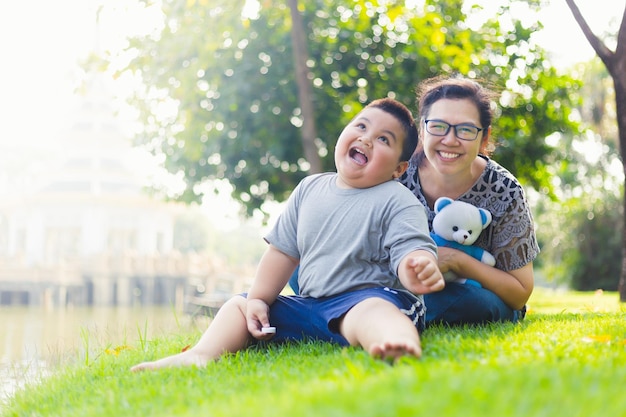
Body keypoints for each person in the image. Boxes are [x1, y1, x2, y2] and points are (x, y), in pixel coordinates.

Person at [131, 98, 445, 372]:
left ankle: (397, 343)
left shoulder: (397, 199)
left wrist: (415, 265)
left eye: (383, 139)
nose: (366, 139)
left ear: (399, 169)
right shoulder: (310, 188)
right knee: (237, 306)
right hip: (310, 306)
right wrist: (258, 299)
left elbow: (411, 246)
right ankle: (202, 354)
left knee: (373, 312)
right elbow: (283, 252)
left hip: (365, 300)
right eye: (361, 127)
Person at [399, 75, 539, 326]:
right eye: (438, 126)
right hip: (401, 287)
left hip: (475, 297)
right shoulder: (398, 175)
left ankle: (392, 313)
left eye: (465, 130)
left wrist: (456, 260)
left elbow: (519, 294)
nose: (450, 140)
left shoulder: (504, 190)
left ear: (484, 138)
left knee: (469, 302)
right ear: (422, 129)